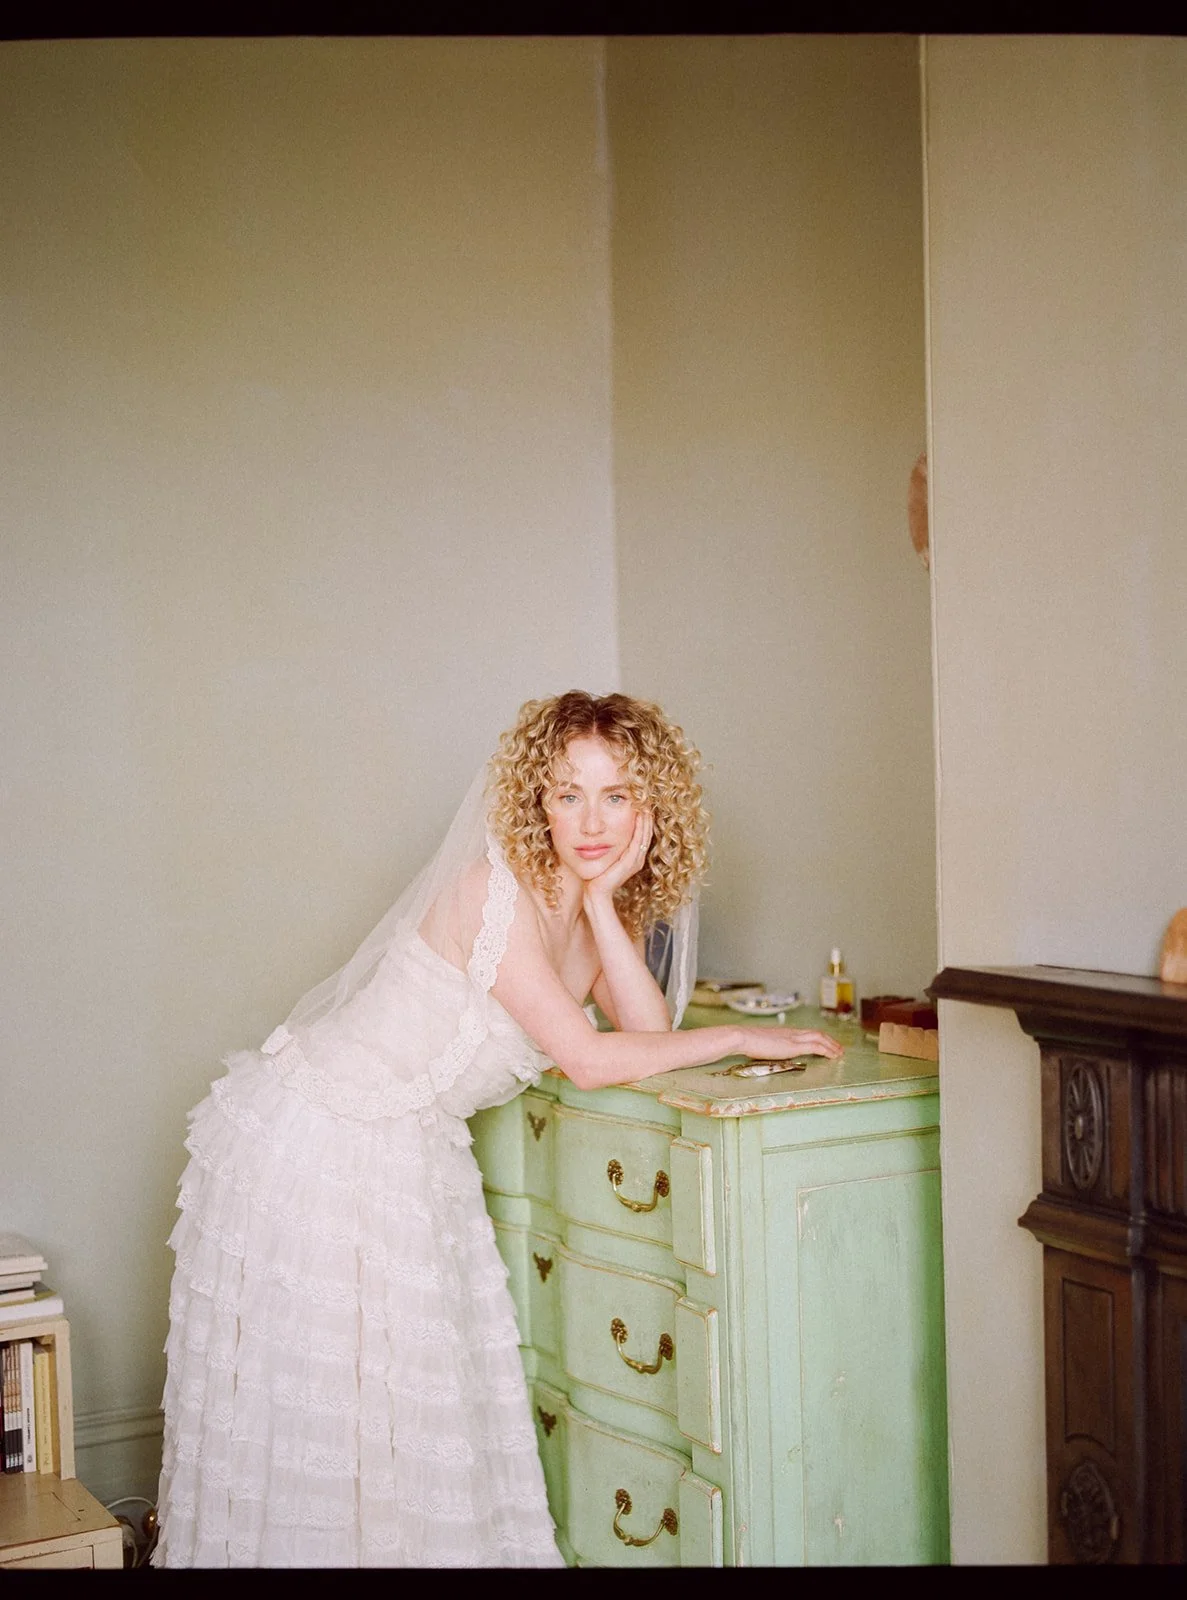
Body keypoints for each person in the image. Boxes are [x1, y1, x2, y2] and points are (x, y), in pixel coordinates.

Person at [153, 691, 842, 1568]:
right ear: (535, 800)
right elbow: (588, 1059)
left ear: (649, 808)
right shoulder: (493, 895)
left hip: (408, 1147)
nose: (590, 822)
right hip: (320, 1141)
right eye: (567, 794)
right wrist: (741, 1036)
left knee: (411, 1406)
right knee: (335, 1413)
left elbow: (646, 1031)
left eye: (616, 796)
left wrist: (603, 903)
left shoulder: (588, 905)